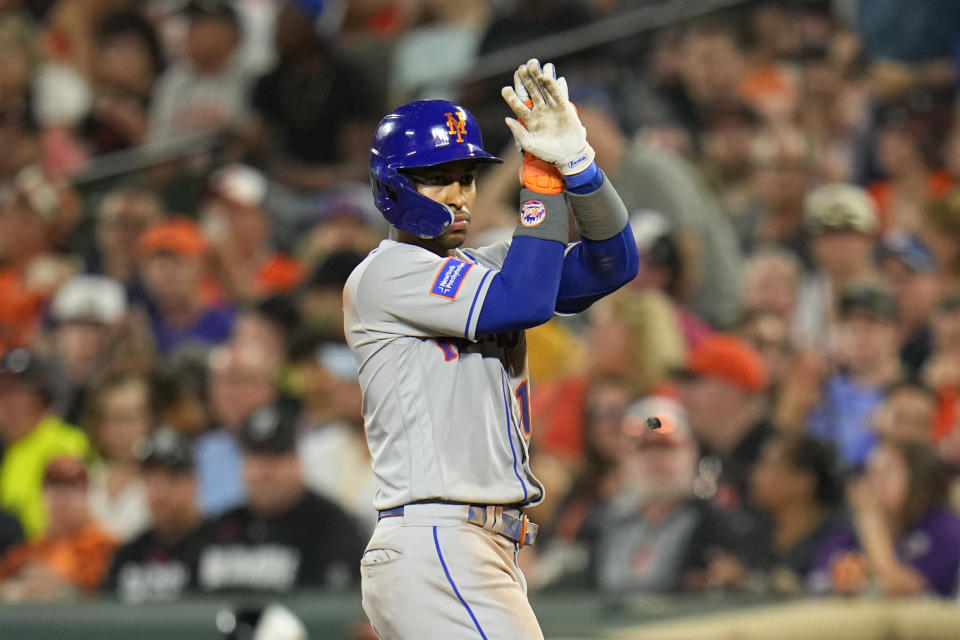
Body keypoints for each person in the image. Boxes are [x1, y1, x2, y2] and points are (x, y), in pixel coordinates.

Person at [346, 60, 638, 639]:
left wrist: (578, 165)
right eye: (437, 176)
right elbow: (523, 302)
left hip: (471, 546)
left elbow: (614, 264)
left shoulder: (484, 267)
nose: (457, 194)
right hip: (437, 540)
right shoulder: (386, 275)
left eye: (467, 176)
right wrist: (541, 178)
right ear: (393, 185)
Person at [198, 401, 365, 592]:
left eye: (276, 457)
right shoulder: (221, 527)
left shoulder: (333, 526)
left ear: (297, 461)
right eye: (256, 456)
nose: (265, 472)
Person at [812, 441, 960, 598]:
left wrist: (871, 520)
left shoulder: (946, 531)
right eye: (869, 473)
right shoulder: (846, 534)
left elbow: (905, 592)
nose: (870, 483)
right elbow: (818, 586)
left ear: (920, 481)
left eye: (885, 473)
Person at [101, 426, 213, 603]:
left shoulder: (219, 545)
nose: (159, 493)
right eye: (150, 479)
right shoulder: (129, 555)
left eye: (171, 478)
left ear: (195, 481)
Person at [0, 348, 90, 539]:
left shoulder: (64, 443)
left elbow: (63, 526)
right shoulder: (11, 449)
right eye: (2, 392)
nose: (8, 404)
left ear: (42, 398)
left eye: (17, 393)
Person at [0, 456, 116, 601]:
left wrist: (65, 590)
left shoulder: (107, 548)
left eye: (71, 489)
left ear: (86, 496)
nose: (62, 498)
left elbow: (111, 597)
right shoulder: (29, 550)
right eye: (54, 488)